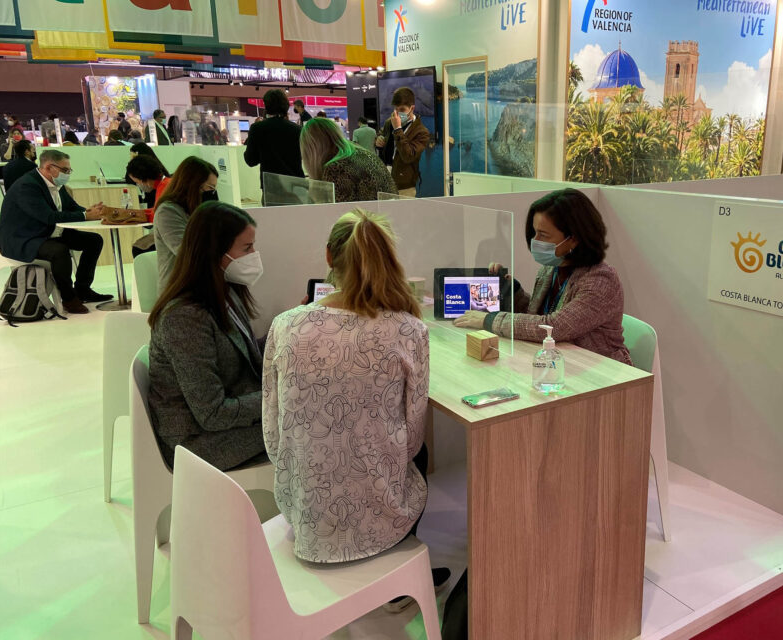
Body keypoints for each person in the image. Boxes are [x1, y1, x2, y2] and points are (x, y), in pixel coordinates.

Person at [263, 209, 431, 569]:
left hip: (304, 510)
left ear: (329, 256)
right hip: (381, 521)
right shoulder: (409, 330)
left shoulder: (285, 325)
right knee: (420, 455)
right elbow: (413, 439)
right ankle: (399, 565)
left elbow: (273, 431)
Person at [147, 202, 268, 470]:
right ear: (215, 253)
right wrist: (278, 397)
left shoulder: (225, 291)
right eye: (247, 248)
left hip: (223, 421)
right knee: (311, 423)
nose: (254, 255)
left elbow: (241, 353)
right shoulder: (184, 318)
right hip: (198, 442)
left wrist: (290, 327)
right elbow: (212, 413)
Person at [453, 188, 632, 365]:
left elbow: (554, 327)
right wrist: (511, 289)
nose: (535, 240)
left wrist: (489, 320)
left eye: (543, 235)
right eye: (535, 232)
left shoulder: (601, 280)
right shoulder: (550, 269)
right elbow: (537, 316)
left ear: (574, 239)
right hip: (557, 363)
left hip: (602, 371)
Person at [0, 150, 111, 314]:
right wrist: (85, 216)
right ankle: (68, 298)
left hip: (47, 232)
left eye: (69, 170)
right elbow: (48, 217)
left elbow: (71, 207)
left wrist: (89, 211)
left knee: (94, 240)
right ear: (49, 167)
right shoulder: (27, 186)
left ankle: (83, 289)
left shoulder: (56, 184)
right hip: (24, 237)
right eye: (65, 170)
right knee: (59, 251)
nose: (68, 174)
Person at [154, 156, 219, 292]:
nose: (212, 193)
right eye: (210, 188)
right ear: (194, 185)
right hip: (178, 291)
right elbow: (188, 252)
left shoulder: (192, 209)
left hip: (199, 284)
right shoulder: (167, 212)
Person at [300, 117, 397, 202]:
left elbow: (341, 213)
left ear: (311, 148)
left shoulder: (335, 168)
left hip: (371, 216)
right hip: (390, 213)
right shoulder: (361, 153)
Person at [244, 89, 304, 198]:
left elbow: (250, 160)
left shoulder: (257, 128)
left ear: (266, 106)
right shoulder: (297, 129)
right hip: (296, 185)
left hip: (271, 187)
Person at [376, 87, 432, 197]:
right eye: (395, 109)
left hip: (405, 187)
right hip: (385, 182)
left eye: (402, 109)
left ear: (412, 108)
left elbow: (408, 156)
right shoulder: (389, 123)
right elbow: (381, 136)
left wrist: (398, 129)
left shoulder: (422, 132)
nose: (397, 113)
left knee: (404, 209)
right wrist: (378, 141)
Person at [126, 155, 172, 219]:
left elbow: (157, 216)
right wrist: (136, 212)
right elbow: (156, 210)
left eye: (137, 182)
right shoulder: (167, 183)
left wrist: (132, 215)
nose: (138, 185)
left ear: (142, 179)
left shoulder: (164, 187)